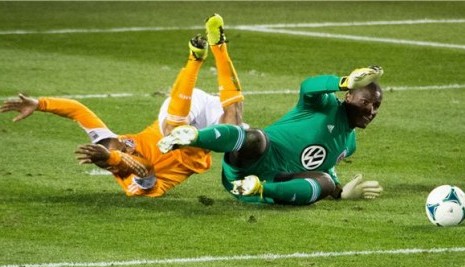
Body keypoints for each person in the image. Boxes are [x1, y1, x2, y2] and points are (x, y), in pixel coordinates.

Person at [0, 14, 244, 198]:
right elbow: (145, 169)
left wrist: (39, 103)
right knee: (234, 128)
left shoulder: (110, 140)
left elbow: (77, 110)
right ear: (114, 165)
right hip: (196, 147)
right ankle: (220, 47)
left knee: (172, 133)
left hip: (177, 116)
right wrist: (114, 157)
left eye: (122, 144)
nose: (127, 147)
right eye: (123, 151)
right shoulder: (134, 186)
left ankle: (195, 58)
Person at [158, 66, 385, 205]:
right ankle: (191, 137)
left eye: (376, 105)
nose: (371, 110)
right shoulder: (324, 104)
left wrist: (340, 193)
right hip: (250, 161)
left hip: (272, 183)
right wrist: (343, 82)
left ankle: (257, 188)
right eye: (365, 102)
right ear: (349, 98)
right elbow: (308, 87)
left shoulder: (349, 144)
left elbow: (325, 168)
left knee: (324, 182)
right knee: (255, 137)